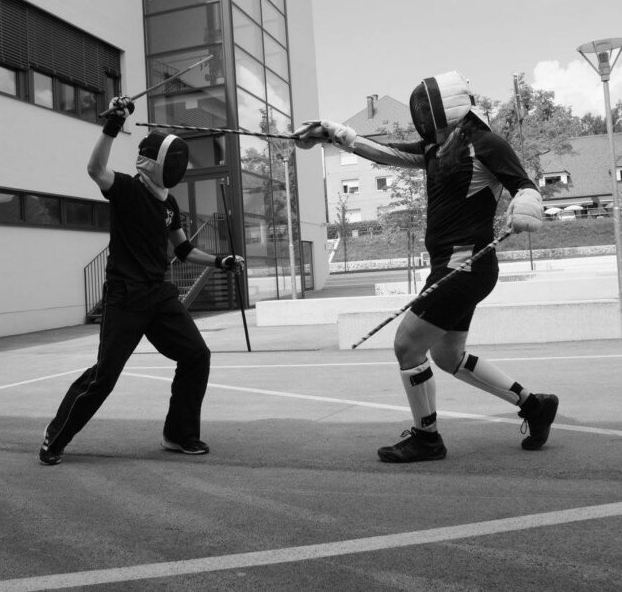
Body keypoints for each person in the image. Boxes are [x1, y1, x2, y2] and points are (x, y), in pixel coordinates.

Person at [294, 71, 559, 463]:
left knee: (406, 345)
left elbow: (524, 184)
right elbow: (387, 152)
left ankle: (427, 438)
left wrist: (526, 204)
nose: (421, 116)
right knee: (448, 357)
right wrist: (332, 134)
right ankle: (535, 406)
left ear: (444, 108)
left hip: (464, 264)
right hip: (456, 267)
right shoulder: (439, 148)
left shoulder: (485, 143)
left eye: (425, 108)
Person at [39, 97, 244, 465]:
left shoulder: (169, 205)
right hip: (125, 296)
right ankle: (55, 436)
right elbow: (94, 168)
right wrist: (113, 125)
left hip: (158, 295)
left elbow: (183, 250)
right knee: (104, 376)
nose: (180, 167)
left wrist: (220, 261)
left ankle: (178, 435)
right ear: (154, 163)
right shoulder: (125, 189)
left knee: (196, 355)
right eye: (174, 160)